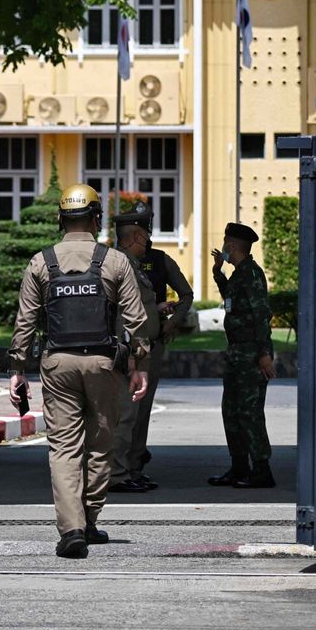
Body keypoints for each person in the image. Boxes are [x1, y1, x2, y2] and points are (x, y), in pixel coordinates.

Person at [8, 184, 152, 558]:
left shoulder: (42, 262)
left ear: (60, 217)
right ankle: (88, 519)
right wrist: (140, 366)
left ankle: (71, 529)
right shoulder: (115, 261)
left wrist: (18, 369)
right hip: (103, 364)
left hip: (57, 364)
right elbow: (137, 321)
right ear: (96, 218)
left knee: (64, 448)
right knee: (101, 442)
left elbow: (25, 321)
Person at [109, 203, 193, 493]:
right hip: (128, 350)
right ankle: (118, 471)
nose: (148, 238)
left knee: (139, 412)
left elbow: (182, 296)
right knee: (125, 412)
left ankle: (132, 466)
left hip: (146, 347)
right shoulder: (116, 263)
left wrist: (168, 322)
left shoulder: (158, 260)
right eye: (144, 232)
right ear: (135, 235)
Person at [207, 222, 277, 489]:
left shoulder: (252, 275)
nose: (223, 247)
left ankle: (261, 469)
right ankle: (239, 467)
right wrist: (218, 274)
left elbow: (262, 316)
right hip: (237, 352)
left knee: (250, 412)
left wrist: (264, 354)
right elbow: (232, 302)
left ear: (232, 246)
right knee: (232, 411)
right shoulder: (238, 274)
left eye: (226, 242)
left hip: (250, 354)